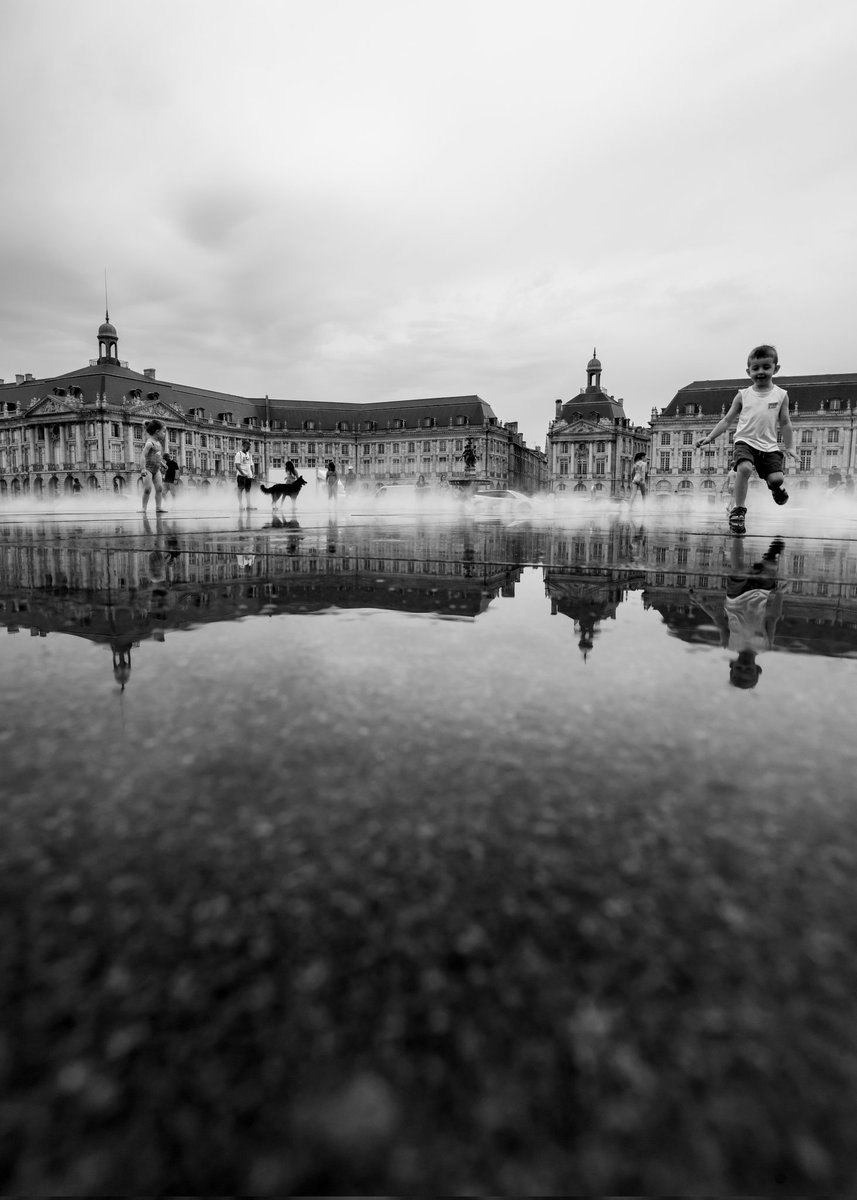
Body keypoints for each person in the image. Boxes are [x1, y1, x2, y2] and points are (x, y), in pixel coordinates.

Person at [695, 344, 796, 536]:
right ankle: (738, 510)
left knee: (777, 478)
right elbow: (726, 420)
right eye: (755, 368)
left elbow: (785, 423)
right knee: (744, 468)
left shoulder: (781, 395)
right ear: (748, 371)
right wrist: (710, 437)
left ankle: (775, 488)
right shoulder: (743, 395)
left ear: (776, 368)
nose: (760, 372)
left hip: (769, 445)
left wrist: (790, 447)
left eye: (766, 367)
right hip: (745, 441)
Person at [688, 536, 786, 689]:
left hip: (736, 597)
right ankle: (771, 556)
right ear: (758, 669)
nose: (744, 666)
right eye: (749, 670)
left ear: (732, 666)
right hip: (761, 594)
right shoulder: (765, 646)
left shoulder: (729, 645)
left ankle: (738, 533)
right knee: (769, 567)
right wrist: (780, 594)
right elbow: (773, 618)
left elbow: (718, 619)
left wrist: (701, 603)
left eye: (739, 669)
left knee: (738, 570)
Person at [140, 419, 167, 515]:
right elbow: (143, 455)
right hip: (148, 469)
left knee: (159, 488)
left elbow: (157, 456)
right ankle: (143, 508)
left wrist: (162, 464)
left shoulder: (159, 444)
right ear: (157, 432)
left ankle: (158, 507)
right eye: (163, 432)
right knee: (147, 489)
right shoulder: (149, 443)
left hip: (156, 470)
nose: (164, 434)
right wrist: (143, 468)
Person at [234, 438, 255, 510]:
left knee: (248, 490)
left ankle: (249, 505)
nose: (248, 448)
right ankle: (240, 505)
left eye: (249, 446)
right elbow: (237, 465)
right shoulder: (238, 454)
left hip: (249, 476)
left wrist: (253, 473)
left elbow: (251, 464)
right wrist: (243, 473)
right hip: (241, 476)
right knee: (240, 490)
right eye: (247, 446)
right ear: (243, 445)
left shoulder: (249, 454)